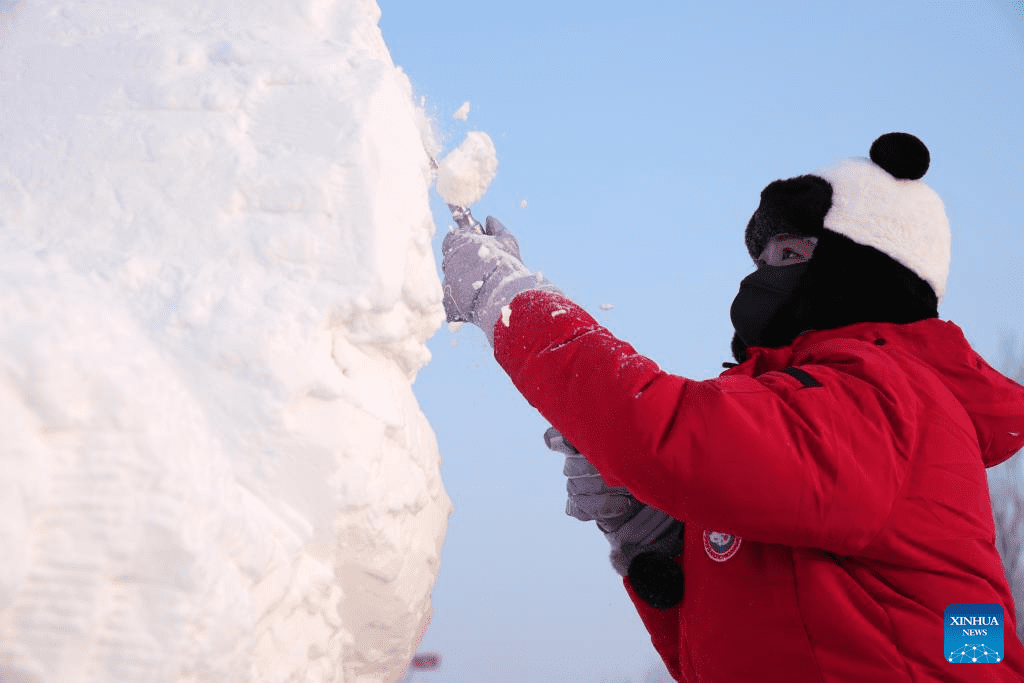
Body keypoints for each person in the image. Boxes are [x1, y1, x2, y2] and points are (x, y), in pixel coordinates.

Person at [440, 132, 1024, 681]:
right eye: (762, 258)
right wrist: (654, 539)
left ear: (864, 263)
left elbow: (671, 432)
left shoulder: (886, 393)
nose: (766, 274)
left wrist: (512, 303)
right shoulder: (847, 417)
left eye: (791, 251)